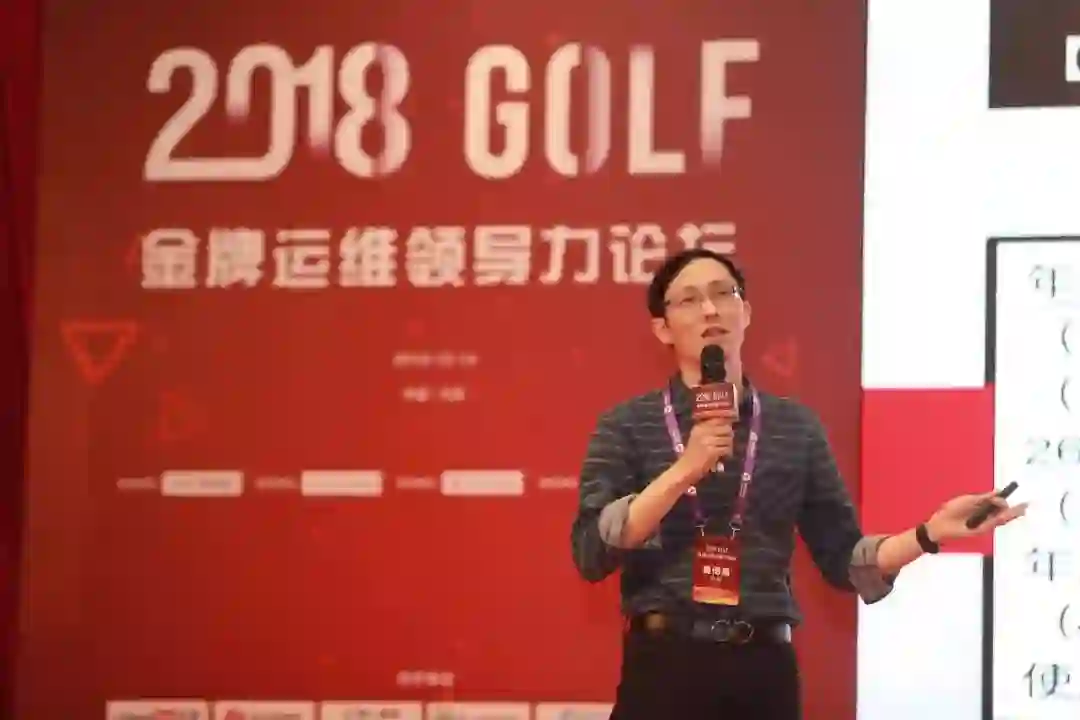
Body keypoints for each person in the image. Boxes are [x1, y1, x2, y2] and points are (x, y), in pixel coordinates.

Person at [569, 249, 1026, 720]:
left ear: (746, 312)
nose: (709, 309)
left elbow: (844, 559)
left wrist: (929, 534)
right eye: (688, 299)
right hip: (664, 666)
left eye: (723, 294)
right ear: (662, 328)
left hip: (764, 670)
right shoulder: (626, 425)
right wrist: (684, 469)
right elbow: (592, 551)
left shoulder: (795, 427)